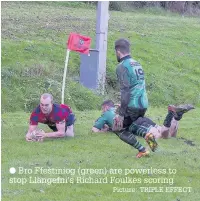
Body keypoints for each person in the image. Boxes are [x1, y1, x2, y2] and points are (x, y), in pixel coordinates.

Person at [92, 100, 194, 157]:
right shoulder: (119, 108)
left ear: (105, 108)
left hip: (138, 123)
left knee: (162, 136)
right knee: (172, 135)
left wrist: (105, 130)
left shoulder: (106, 114)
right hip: (143, 120)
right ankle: (177, 116)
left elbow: (95, 130)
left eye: (102, 109)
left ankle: (170, 114)